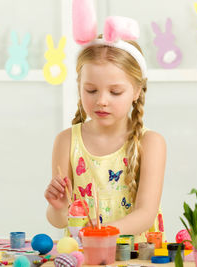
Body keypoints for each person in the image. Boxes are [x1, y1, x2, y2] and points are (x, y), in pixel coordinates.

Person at [44, 17, 166, 242]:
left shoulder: (151, 143)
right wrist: (59, 207)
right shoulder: (66, 141)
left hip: (137, 256)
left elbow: (146, 214)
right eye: (91, 90)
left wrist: (101, 233)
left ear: (137, 90)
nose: (101, 100)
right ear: (80, 86)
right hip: (84, 256)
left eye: (115, 92)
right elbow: (59, 220)